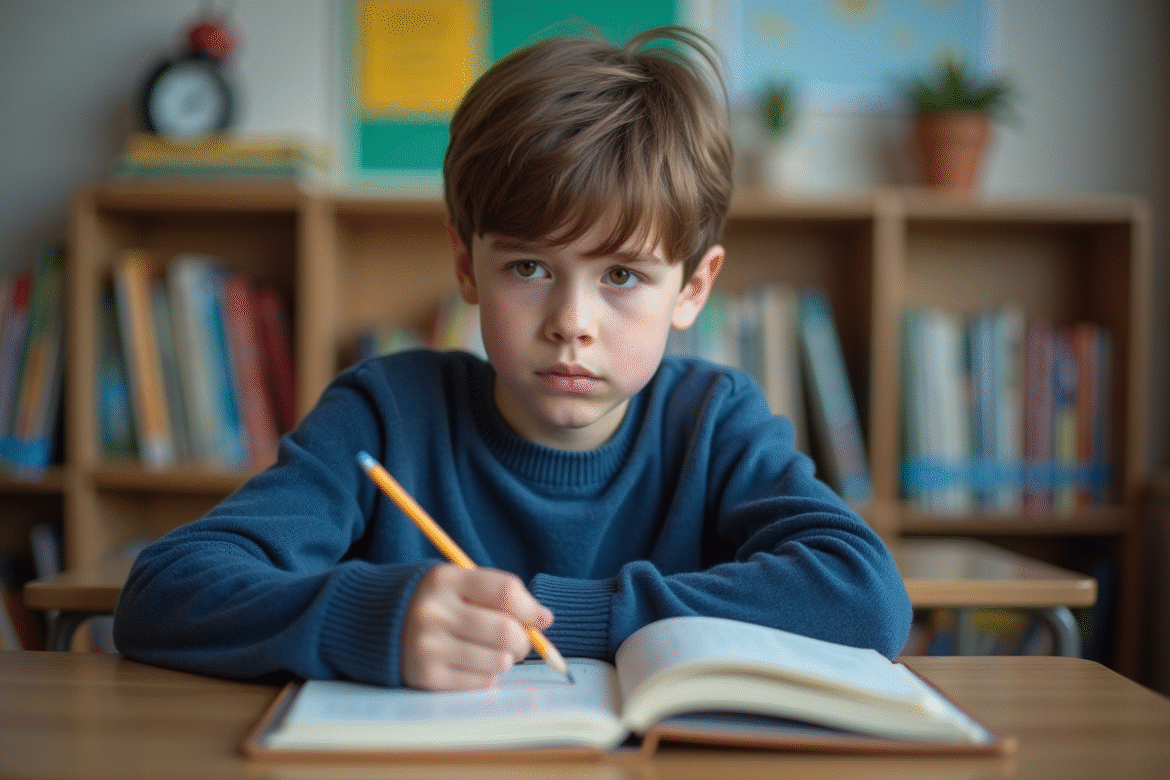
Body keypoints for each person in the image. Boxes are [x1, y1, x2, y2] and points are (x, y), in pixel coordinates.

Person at [113, 26, 912, 691]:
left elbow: (863, 594)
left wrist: (578, 613)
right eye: (529, 268)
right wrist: (373, 620)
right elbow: (165, 590)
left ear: (692, 288)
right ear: (467, 265)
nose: (572, 323)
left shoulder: (714, 420)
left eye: (623, 276)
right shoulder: (387, 415)